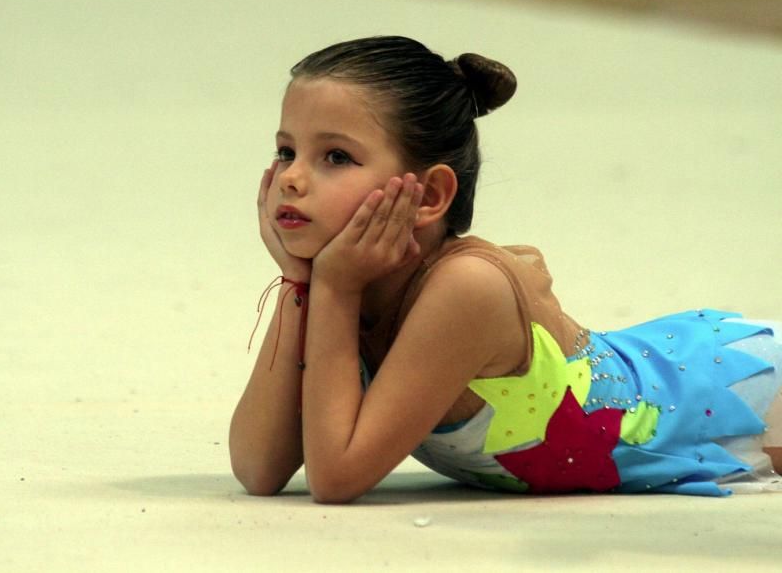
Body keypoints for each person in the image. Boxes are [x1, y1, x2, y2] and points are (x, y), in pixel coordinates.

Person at [228, 36, 782, 503]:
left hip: (738, 395)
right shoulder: (345, 285)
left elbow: (336, 477)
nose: (292, 178)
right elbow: (259, 468)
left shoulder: (467, 288)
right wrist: (303, 285)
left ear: (430, 194)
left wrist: (333, 288)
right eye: (285, 151)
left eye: (336, 157)